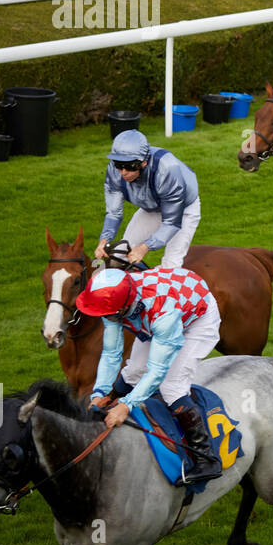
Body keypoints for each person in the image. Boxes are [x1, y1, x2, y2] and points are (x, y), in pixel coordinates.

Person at [76, 266, 223, 484]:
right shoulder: (113, 302)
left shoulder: (162, 314)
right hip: (160, 310)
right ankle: (113, 401)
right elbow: (111, 352)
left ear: (122, 307)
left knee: (172, 386)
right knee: (134, 371)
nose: (103, 318)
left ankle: (207, 459)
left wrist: (126, 406)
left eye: (106, 315)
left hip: (196, 317)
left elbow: (157, 371)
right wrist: (101, 392)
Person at [97, 128, 201, 269]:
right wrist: (104, 240)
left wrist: (145, 247)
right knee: (119, 254)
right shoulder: (115, 170)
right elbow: (114, 213)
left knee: (170, 266)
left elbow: (171, 223)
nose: (123, 172)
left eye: (129, 166)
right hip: (151, 208)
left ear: (143, 162)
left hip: (183, 209)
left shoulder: (167, 169)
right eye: (119, 165)